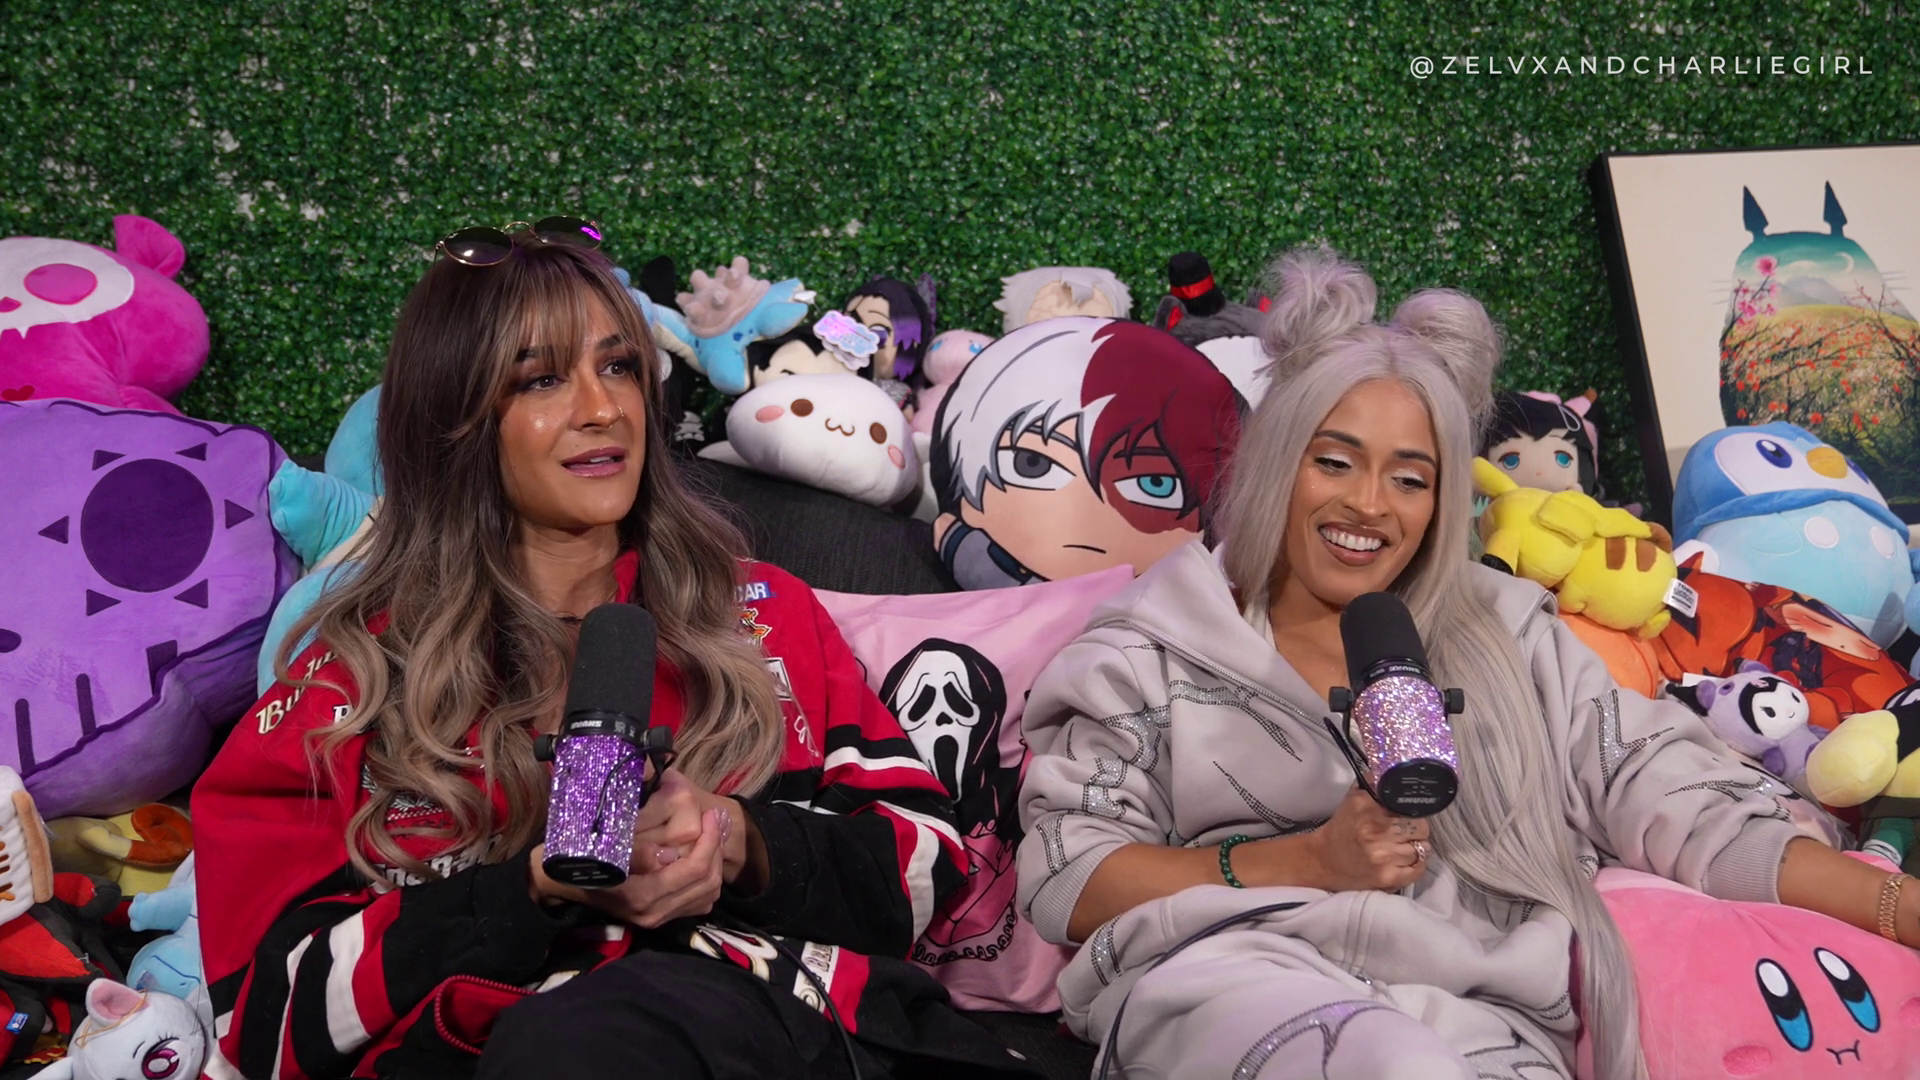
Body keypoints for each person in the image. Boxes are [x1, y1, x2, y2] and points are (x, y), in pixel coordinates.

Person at [1013, 246, 1920, 1080]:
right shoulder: (1146, 649)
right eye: (1335, 463)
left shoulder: (1508, 633)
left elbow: (1671, 794)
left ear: (1444, 500)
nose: (1370, 505)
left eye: (1410, 478)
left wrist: (1893, 908)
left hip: (1488, 1007)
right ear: (1277, 464)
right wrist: (1311, 860)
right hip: (1230, 977)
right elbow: (1066, 874)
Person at [192, 222, 1036, 1080]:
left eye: (620, 366)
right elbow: (262, 1021)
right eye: (542, 378)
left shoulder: (762, 614)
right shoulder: (351, 678)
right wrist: (531, 892)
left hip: (801, 1035)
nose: (602, 409)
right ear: (455, 419)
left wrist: (738, 841)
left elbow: (929, 872)